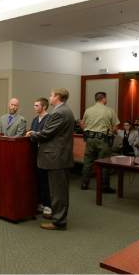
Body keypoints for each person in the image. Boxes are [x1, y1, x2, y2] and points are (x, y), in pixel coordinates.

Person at [26, 88, 74, 230]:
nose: (50, 97)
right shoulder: (65, 110)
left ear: (58, 97)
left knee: (58, 192)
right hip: (60, 156)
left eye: (51, 95)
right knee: (59, 190)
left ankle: (59, 222)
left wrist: (32, 134)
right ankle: (59, 218)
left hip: (56, 157)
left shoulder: (59, 112)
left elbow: (46, 134)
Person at [80, 92, 119, 193]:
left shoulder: (88, 110)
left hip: (90, 139)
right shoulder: (109, 111)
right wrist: (114, 132)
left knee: (88, 162)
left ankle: (84, 183)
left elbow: (82, 125)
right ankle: (104, 186)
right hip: (104, 140)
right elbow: (115, 128)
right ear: (103, 99)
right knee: (104, 163)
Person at [31, 97, 52, 219]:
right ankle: (40, 203)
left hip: (45, 153)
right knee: (38, 179)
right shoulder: (35, 119)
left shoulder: (49, 119)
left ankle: (48, 205)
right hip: (36, 153)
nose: (34, 107)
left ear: (44, 107)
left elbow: (45, 135)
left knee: (45, 180)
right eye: (34, 105)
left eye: (36, 105)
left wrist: (34, 134)